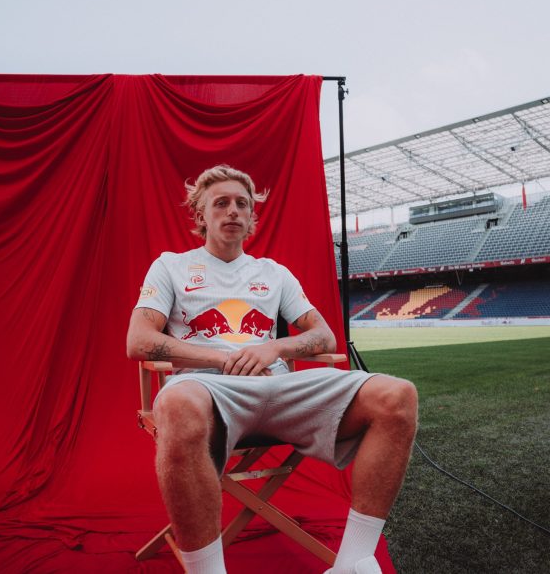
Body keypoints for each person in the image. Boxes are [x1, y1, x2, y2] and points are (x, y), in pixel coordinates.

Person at [127, 165, 418, 574]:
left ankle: (352, 563)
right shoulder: (171, 266)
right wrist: (221, 358)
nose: (233, 211)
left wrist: (274, 347)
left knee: (397, 395)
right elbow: (138, 340)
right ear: (201, 215)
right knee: (175, 403)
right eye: (221, 203)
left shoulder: (274, 273)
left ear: (251, 215)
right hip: (209, 390)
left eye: (242, 204)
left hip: (278, 385)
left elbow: (324, 336)